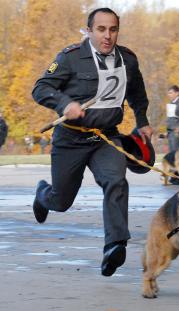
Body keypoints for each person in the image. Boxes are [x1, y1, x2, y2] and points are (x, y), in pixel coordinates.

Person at [31, 8, 153, 277]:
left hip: (106, 137)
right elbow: (40, 88)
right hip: (70, 139)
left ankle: (115, 245)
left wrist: (142, 120)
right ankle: (43, 195)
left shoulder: (128, 60)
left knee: (116, 181)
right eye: (101, 29)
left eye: (113, 29)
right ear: (89, 31)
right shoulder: (70, 58)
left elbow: (137, 92)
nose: (107, 36)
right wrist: (65, 103)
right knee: (61, 201)